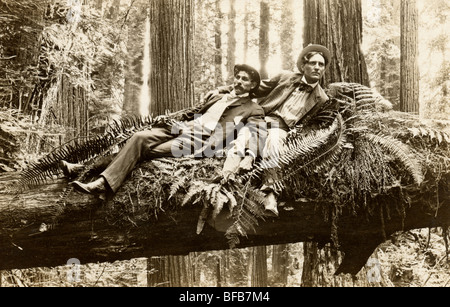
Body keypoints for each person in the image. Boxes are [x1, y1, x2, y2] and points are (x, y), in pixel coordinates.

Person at [70, 64, 266, 196]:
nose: (238, 81)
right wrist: (171, 120)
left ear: (253, 85)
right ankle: (91, 173)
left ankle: (97, 177)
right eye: (237, 77)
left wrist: (250, 155)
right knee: (139, 137)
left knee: (147, 150)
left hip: (199, 140)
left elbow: (257, 133)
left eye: (245, 79)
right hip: (180, 128)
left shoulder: (253, 109)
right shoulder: (217, 96)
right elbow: (192, 113)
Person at [210, 44, 331, 215]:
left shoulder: (322, 99)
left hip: (283, 129)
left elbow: (314, 127)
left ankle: (270, 193)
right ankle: (225, 183)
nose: (317, 67)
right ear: (304, 66)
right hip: (261, 118)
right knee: (242, 138)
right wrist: (223, 90)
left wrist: (299, 133)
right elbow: (254, 89)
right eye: (313, 63)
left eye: (321, 65)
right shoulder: (285, 77)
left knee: (273, 141)